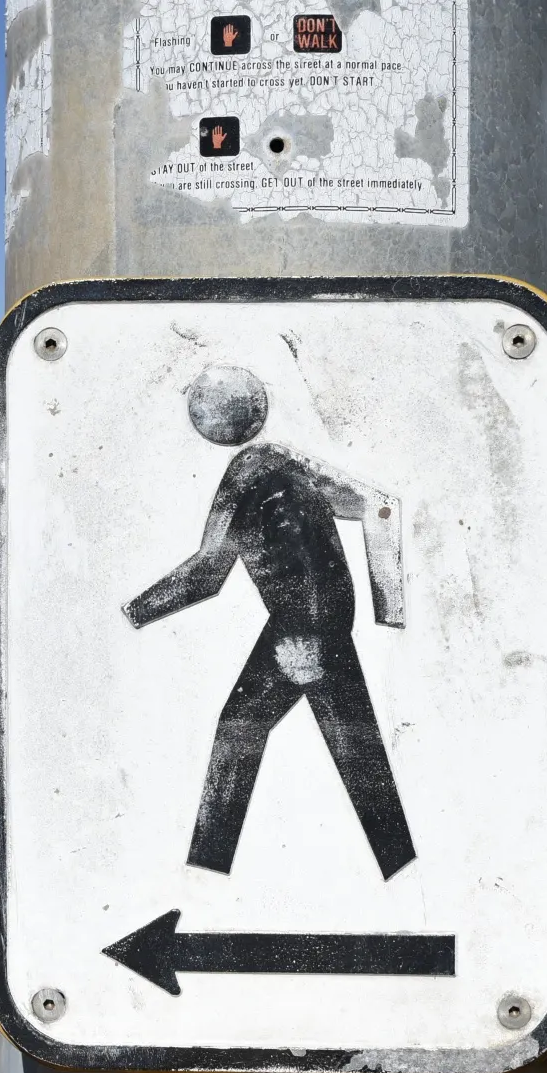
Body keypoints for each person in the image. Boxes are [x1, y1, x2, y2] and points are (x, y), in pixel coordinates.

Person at [124, 364, 417, 880]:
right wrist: (386, 609)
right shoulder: (284, 460)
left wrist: (137, 611)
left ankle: (204, 876)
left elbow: (206, 576)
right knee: (354, 743)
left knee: (240, 730)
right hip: (330, 617)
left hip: (299, 627)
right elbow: (380, 506)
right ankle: (404, 869)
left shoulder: (243, 474)